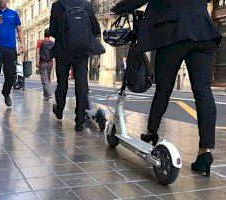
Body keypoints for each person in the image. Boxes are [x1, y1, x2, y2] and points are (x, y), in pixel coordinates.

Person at [111, 0, 221, 176]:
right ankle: (205, 152)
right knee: (203, 91)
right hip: (203, 30)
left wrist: (121, 6)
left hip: (173, 31)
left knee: (163, 89)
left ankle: (151, 133)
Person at [50, 0, 101, 132]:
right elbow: (96, 30)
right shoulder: (87, 5)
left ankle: (60, 109)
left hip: (63, 50)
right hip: (82, 52)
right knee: (81, 84)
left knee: (62, 82)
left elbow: (52, 32)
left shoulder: (57, 6)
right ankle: (79, 121)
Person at [0, 0, 26, 113]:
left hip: (10, 49)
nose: (2, 0)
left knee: (11, 75)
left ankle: (6, 92)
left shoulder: (14, 14)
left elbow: (20, 30)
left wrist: (22, 44)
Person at [36, 28, 54, 101]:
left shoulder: (40, 41)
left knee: (44, 80)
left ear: (44, 34)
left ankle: (49, 93)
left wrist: (37, 62)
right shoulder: (52, 43)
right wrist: (54, 64)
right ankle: (46, 96)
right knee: (47, 79)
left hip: (42, 63)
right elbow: (54, 54)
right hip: (50, 63)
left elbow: (37, 52)